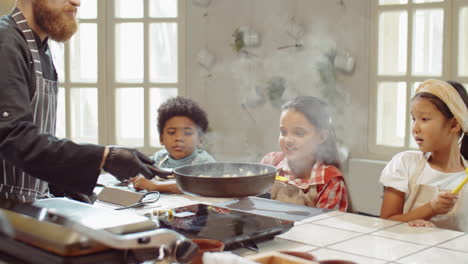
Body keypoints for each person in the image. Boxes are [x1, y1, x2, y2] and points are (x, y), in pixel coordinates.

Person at [0, 0, 159, 203]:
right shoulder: (5, 42)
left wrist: (61, 185)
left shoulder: (39, 49)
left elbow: (33, 144)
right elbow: (13, 138)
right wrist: (103, 157)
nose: (77, 2)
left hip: (24, 205)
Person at [380, 79, 468, 231]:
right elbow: (386, 222)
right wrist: (431, 208)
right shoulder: (405, 163)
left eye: (424, 119)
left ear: (454, 124)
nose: (415, 128)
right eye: (414, 119)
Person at [261, 96, 348, 211]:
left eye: (299, 133)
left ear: (321, 137)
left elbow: (326, 227)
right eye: (283, 132)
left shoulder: (329, 180)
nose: (288, 140)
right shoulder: (270, 162)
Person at [130, 96, 215, 193]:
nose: (178, 138)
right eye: (171, 132)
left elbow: (199, 185)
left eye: (187, 133)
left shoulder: (204, 162)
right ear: (161, 139)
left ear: (200, 139)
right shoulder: (159, 158)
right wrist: (139, 179)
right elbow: (143, 171)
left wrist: (156, 186)